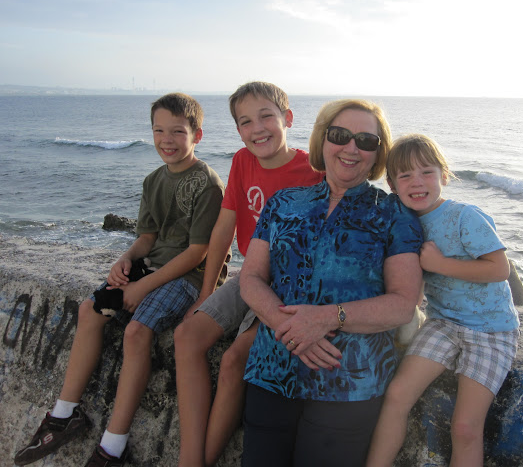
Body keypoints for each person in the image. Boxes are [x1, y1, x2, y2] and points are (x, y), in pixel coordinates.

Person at [13, 93, 226, 467]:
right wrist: (124, 260)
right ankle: (63, 415)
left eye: (178, 131)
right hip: (152, 267)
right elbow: (146, 238)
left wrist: (141, 287)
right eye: (159, 130)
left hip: (188, 276)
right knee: (89, 311)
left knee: (136, 332)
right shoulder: (153, 180)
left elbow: (198, 253)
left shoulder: (206, 183)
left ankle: (113, 446)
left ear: (197, 135)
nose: (167, 140)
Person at [239, 99, 424, 467]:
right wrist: (293, 330)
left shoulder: (394, 213)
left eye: (366, 141)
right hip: (272, 369)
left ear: (378, 153)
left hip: (350, 382)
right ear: (322, 140)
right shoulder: (282, 203)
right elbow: (251, 277)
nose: (351, 148)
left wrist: (325, 318)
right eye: (340, 135)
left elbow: (403, 303)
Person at [173, 81, 324, 467]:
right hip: (247, 275)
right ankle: (189, 456)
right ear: (238, 130)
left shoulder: (313, 170)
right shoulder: (242, 161)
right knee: (186, 336)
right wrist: (207, 292)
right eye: (245, 122)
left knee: (234, 360)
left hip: (288, 285)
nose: (257, 129)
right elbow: (224, 227)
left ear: (288, 118)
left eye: (266, 117)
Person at [366, 134, 520, 467]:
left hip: (491, 330)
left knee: (465, 427)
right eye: (405, 175)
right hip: (443, 324)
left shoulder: (464, 216)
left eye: (427, 172)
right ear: (392, 184)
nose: (417, 182)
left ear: (444, 175)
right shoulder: (404, 223)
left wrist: (439, 264)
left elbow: (499, 269)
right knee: (396, 396)